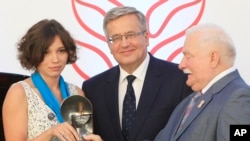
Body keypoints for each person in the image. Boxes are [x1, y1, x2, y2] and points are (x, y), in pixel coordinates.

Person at [81, 6, 192, 141]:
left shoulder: (179, 79)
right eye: (115, 38)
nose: (124, 44)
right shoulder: (93, 88)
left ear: (146, 38)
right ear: (108, 45)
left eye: (130, 35)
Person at [2, 19, 102, 141]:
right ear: (33, 53)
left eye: (61, 51)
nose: (55, 59)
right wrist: (50, 133)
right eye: (46, 52)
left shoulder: (77, 93)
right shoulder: (19, 92)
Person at [154, 23, 250, 141]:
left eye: (188, 57)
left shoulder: (237, 100)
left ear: (213, 59)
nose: (181, 65)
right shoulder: (190, 100)